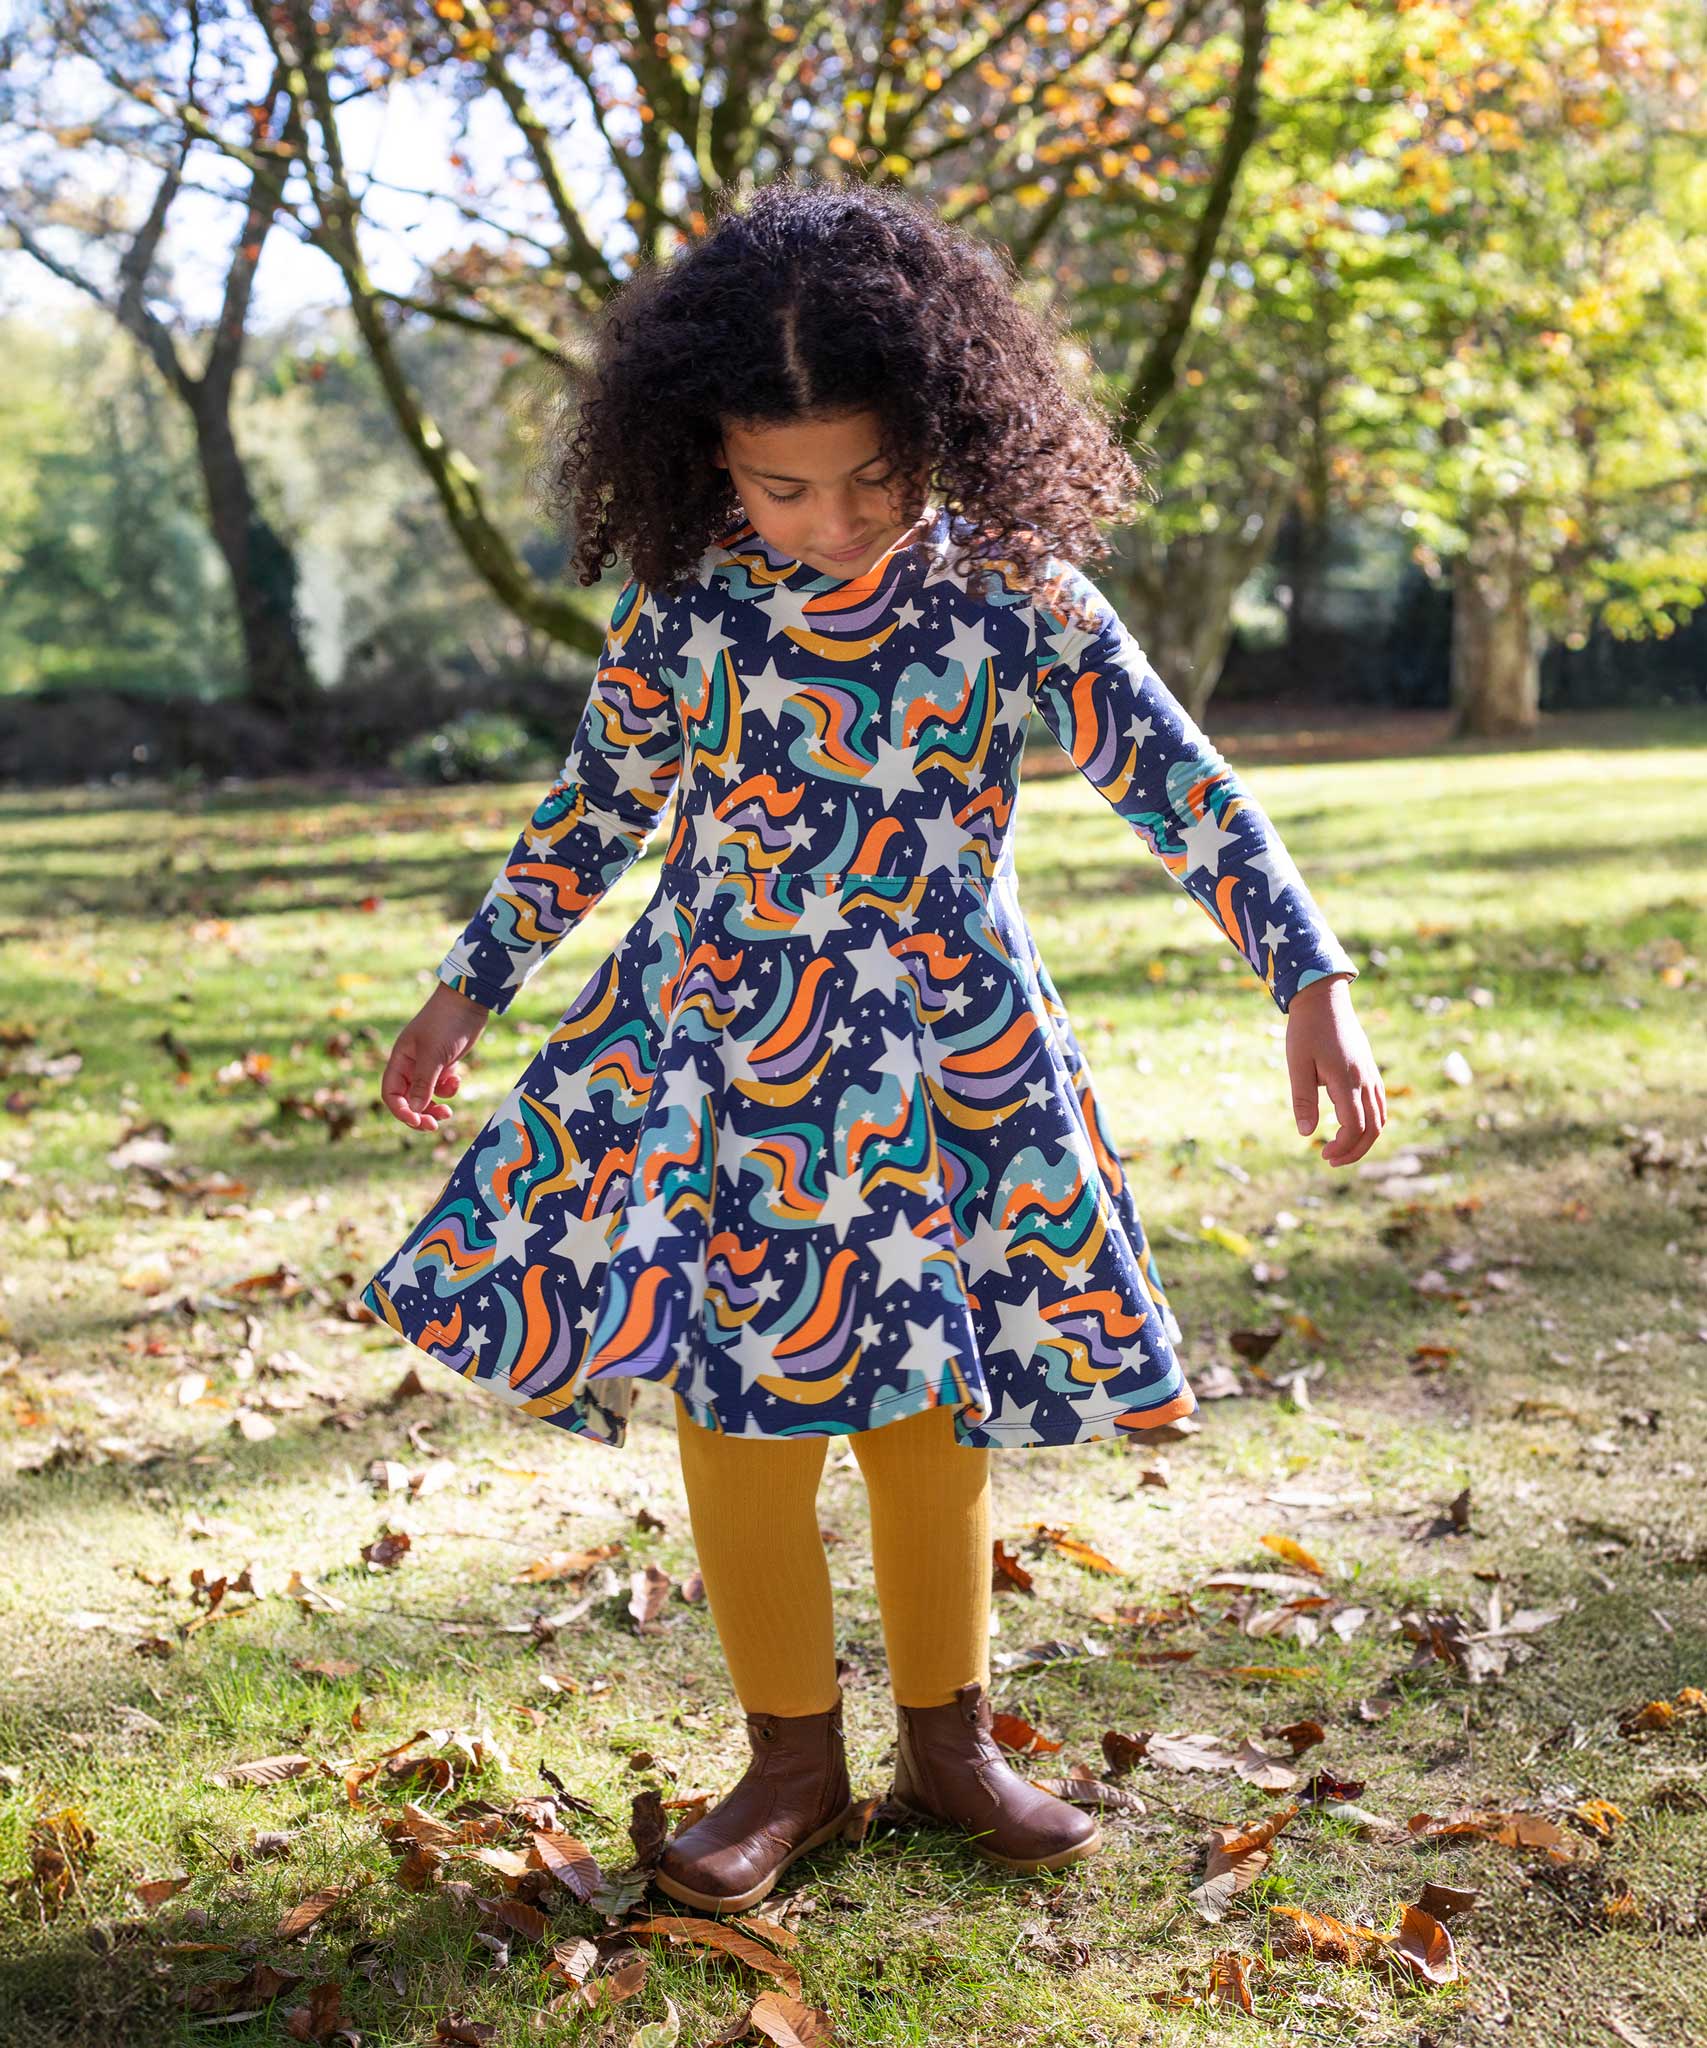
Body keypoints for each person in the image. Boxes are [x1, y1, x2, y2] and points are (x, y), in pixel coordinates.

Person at [357, 177, 1386, 1917]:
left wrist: (1307, 977)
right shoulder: (689, 610)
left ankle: (950, 1740)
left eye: (870, 473)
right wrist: (476, 977)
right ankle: (790, 1765)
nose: (829, 517)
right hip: (725, 1060)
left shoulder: (1015, 596)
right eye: (780, 483)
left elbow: (1179, 783)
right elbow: (595, 810)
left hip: (944, 1062)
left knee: (930, 1401)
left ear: (945, 426)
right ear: (703, 458)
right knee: (745, 1405)